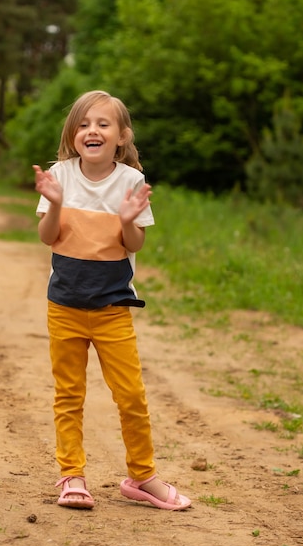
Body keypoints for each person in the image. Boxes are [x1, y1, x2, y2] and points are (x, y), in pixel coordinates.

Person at [34, 90, 191, 511]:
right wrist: (53, 204)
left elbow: (134, 242)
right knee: (69, 394)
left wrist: (127, 222)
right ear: (73, 134)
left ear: (122, 136)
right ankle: (71, 475)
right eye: (84, 124)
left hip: (112, 310)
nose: (92, 131)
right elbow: (48, 237)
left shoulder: (131, 182)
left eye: (103, 124)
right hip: (64, 306)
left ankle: (142, 476)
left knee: (131, 395)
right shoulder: (60, 176)